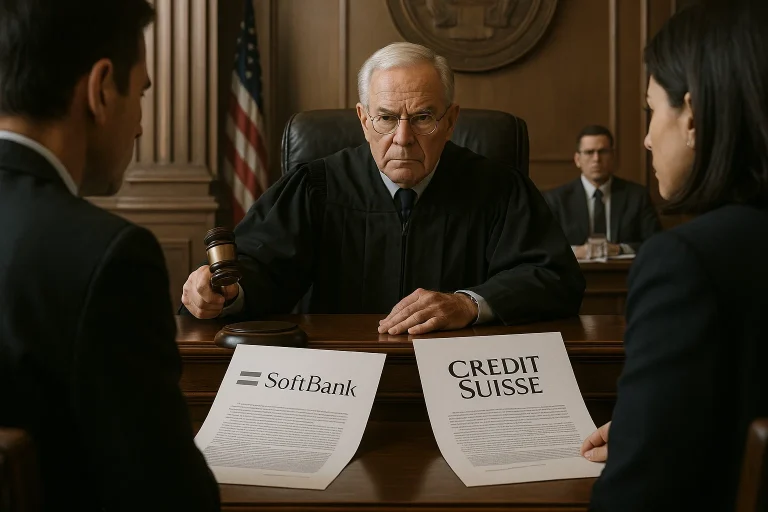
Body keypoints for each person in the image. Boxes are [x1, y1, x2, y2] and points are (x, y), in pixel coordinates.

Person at [182, 42, 585, 335]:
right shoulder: (315, 187)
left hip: (457, 374)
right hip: (337, 372)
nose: (403, 138)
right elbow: (260, 268)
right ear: (363, 119)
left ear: (450, 120)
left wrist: (468, 304)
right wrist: (224, 292)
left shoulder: (498, 189)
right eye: (387, 118)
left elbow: (554, 278)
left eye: (423, 117)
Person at [0, 1, 220, 510]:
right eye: (141, 93)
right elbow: (170, 498)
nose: (140, 127)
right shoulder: (110, 257)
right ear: (100, 90)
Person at [580, 0, 768, 510]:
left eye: (651, 110)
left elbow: (635, 498)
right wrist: (657, 422)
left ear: (693, 116)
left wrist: (647, 443)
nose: (645, 139)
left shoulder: (685, 262)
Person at [544, 125, 661, 259]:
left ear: (613, 156)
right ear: (577, 160)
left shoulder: (637, 196)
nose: (596, 159)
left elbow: (655, 242)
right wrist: (575, 252)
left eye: (603, 152)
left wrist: (619, 249)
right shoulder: (556, 199)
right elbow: (544, 246)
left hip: (624, 271)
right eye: (589, 152)